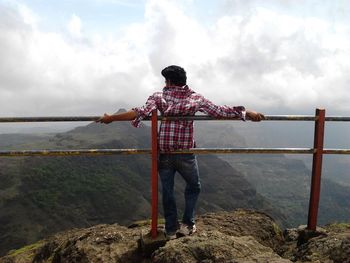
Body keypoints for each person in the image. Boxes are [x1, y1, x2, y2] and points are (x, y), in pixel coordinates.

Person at [96, 65, 264, 239]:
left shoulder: (158, 96)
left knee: (167, 191)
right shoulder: (195, 98)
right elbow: (220, 111)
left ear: (168, 81)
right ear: (184, 80)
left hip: (165, 153)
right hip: (185, 153)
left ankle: (170, 229)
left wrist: (111, 118)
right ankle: (187, 225)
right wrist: (247, 112)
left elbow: (139, 112)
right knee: (193, 187)